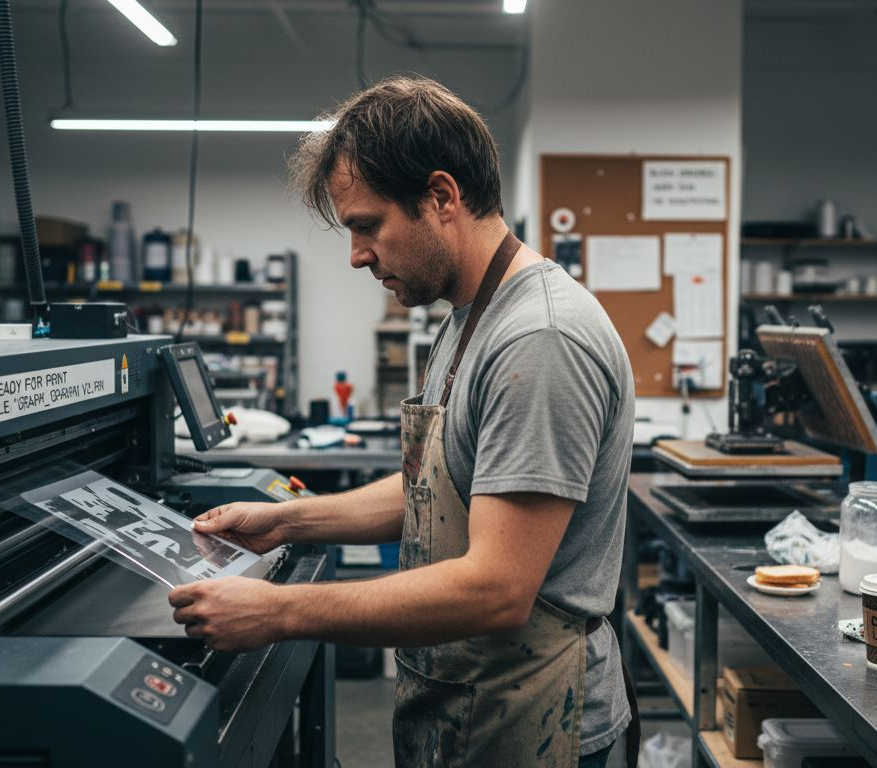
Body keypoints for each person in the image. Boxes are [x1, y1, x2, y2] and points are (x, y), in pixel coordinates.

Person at [168, 76, 637, 768]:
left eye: (367, 225)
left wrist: (278, 612)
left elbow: (498, 589)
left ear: (441, 197)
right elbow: (441, 489)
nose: (357, 254)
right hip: (470, 702)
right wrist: (287, 521)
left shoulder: (539, 340)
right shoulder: (470, 318)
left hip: (538, 725)